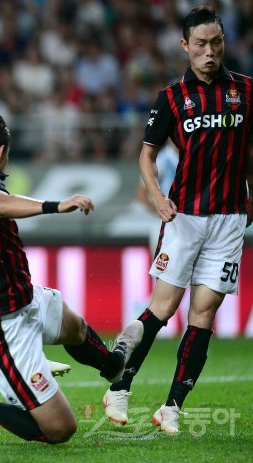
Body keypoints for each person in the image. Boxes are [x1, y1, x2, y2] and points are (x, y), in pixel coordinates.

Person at [0, 106, 144, 444]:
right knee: (60, 429)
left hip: (24, 296)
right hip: (4, 325)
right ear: (1, 151)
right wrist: (57, 205)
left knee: (75, 328)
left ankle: (112, 366)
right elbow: (0, 204)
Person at [103, 5, 253, 434]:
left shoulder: (246, 90)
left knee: (203, 314)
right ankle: (120, 386)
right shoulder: (171, 98)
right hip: (185, 216)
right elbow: (146, 155)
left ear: (224, 42)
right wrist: (157, 197)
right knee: (164, 308)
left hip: (229, 220)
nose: (210, 52)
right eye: (201, 44)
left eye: (216, 42)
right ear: (185, 46)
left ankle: (172, 406)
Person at [134, 142, 179, 255]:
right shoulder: (161, 160)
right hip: (163, 226)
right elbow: (141, 194)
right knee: (163, 263)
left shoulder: (191, 156)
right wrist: (161, 209)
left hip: (187, 223)